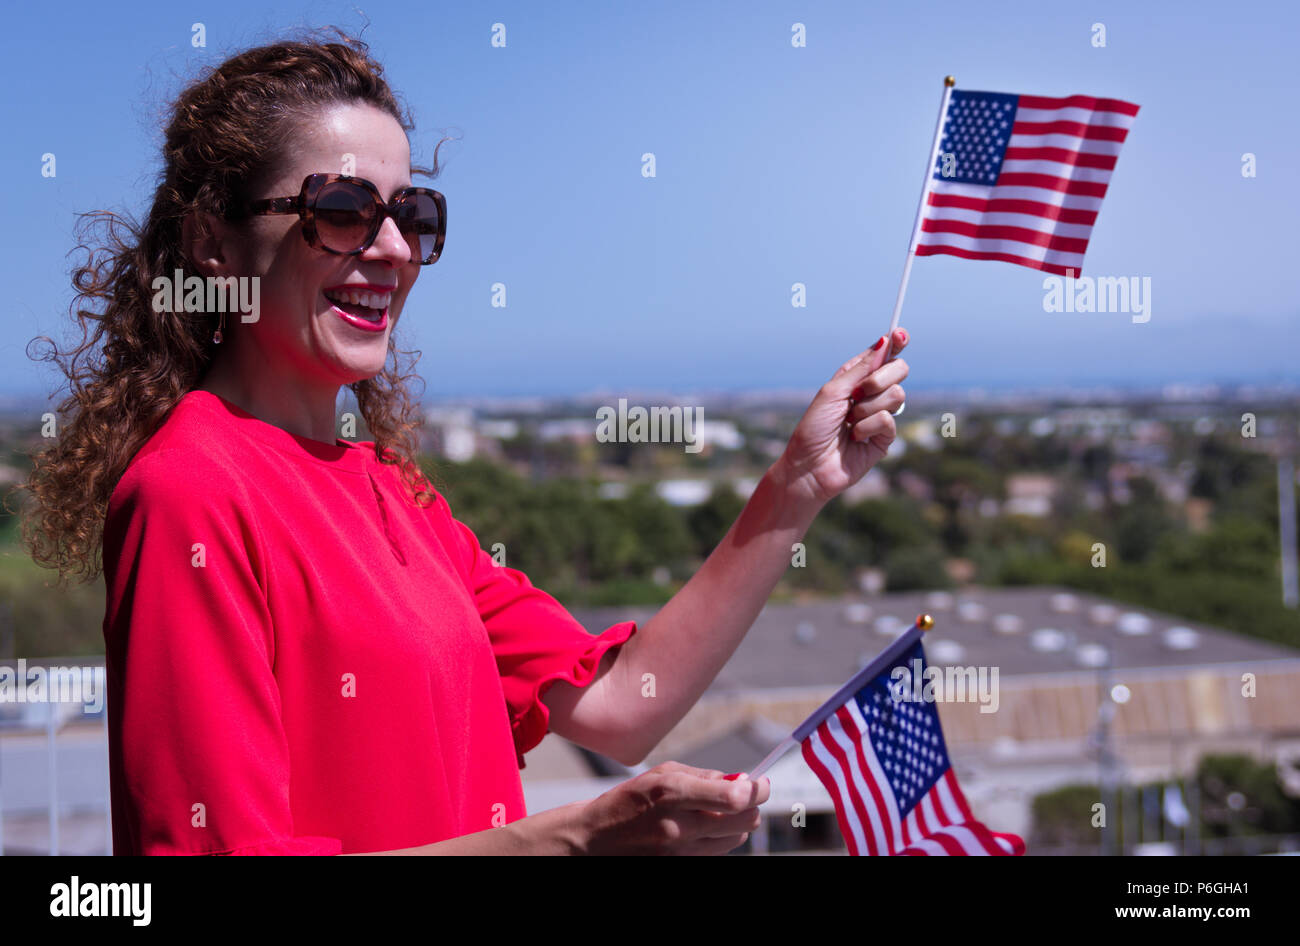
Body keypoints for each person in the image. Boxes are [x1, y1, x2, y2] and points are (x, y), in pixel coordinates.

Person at [18, 31, 909, 855]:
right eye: (341, 209)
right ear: (211, 240)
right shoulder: (190, 496)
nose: (395, 248)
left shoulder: (394, 492)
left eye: (413, 214)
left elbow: (621, 706)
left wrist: (796, 485)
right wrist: (574, 839)